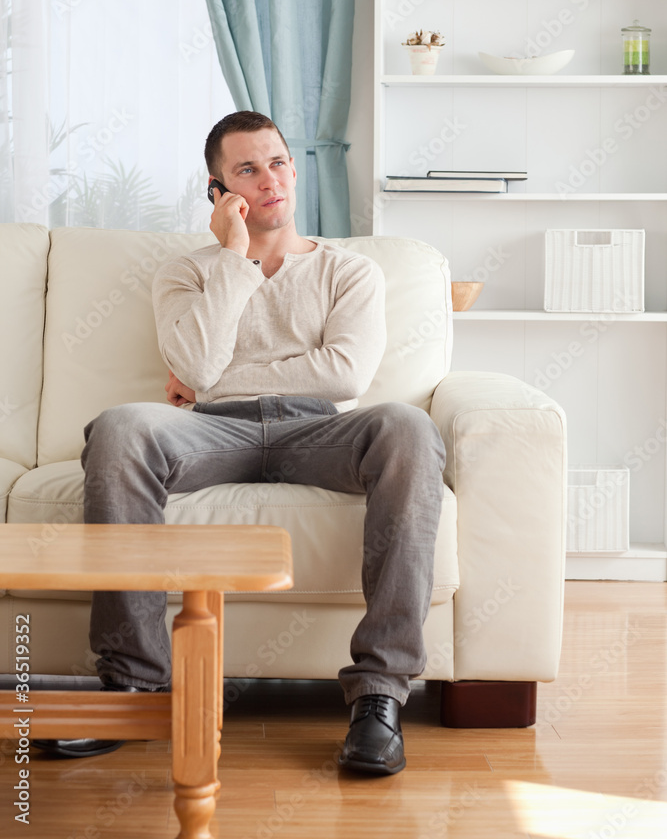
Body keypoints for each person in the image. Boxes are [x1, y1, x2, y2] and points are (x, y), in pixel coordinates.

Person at [33, 111, 446, 775]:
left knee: (406, 427)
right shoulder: (187, 273)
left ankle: (379, 695)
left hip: (320, 427)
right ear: (218, 192)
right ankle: (133, 687)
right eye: (246, 170)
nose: (269, 181)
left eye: (278, 162)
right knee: (121, 429)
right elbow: (199, 371)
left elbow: (343, 373)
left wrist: (214, 375)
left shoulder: (351, 273)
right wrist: (232, 260)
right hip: (212, 428)